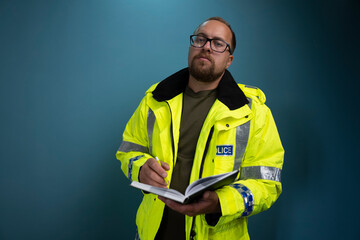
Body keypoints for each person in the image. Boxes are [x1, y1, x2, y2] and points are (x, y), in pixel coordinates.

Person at [116, 17, 284, 240]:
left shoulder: (253, 113)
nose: (206, 46)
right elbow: (128, 151)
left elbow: (267, 184)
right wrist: (140, 169)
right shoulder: (155, 100)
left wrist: (220, 203)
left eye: (217, 43)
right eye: (201, 39)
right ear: (191, 47)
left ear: (229, 60)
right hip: (153, 234)